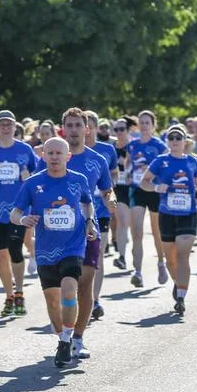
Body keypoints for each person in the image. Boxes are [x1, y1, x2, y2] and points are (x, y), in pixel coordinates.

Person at [11, 137, 96, 367]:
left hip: (73, 245)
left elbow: (88, 203)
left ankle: (67, 340)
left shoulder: (79, 180)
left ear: (68, 156)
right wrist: (24, 219)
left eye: (59, 153)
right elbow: (14, 213)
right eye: (50, 153)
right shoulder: (33, 183)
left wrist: (89, 221)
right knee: (52, 302)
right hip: (46, 250)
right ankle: (61, 337)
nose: (55, 157)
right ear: (44, 156)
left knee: (69, 290)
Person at [141, 125, 197, 315]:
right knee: (170, 259)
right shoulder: (160, 161)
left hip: (188, 213)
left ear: (185, 141)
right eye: (171, 138)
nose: (175, 141)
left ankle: (181, 297)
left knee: (183, 255)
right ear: (168, 141)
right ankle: (178, 283)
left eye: (179, 138)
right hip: (167, 214)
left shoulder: (193, 162)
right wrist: (156, 187)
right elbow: (144, 182)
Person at [64, 108, 113, 353]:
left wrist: (111, 199)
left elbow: (107, 189)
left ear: (87, 129)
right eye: (69, 125)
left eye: (77, 125)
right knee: (61, 286)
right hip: (56, 232)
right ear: (64, 129)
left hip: (88, 228)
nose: (73, 130)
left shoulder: (98, 160)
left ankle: (77, 338)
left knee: (84, 284)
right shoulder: (53, 156)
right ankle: (64, 332)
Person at [0, 110, 37, 317]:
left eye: (9, 124)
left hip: (18, 210)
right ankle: (8, 295)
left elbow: (38, 176)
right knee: (1, 253)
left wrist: (28, 176)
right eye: (2, 124)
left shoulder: (24, 150)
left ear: (15, 127)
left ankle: (19, 293)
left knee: (15, 249)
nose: (6, 128)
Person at [126, 110, 169, 287]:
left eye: (147, 123)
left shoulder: (160, 145)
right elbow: (128, 163)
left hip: (154, 190)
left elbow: (168, 166)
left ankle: (161, 262)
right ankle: (138, 271)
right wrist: (128, 173)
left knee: (156, 231)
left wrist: (151, 171)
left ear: (153, 125)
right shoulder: (132, 145)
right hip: (137, 189)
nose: (144, 126)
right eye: (141, 122)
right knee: (136, 231)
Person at [84, 110, 119, 319]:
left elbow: (112, 175)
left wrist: (110, 193)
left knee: (97, 257)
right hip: (76, 213)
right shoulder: (68, 152)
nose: (86, 131)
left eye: (89, 126)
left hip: (101, 210)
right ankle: (81, 297)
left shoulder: (106, 151)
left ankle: (94, 299)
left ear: (96, 128)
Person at [111, 118, 132, 271]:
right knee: (122, 222)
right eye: (116, 129)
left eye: (122, 129)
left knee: (135, 228)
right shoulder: (111, 148)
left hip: (136, 188)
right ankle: (122, 257)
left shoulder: (135, 147)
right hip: (119, 188)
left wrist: (127, 164)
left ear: (128, 130)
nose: (119, 132)